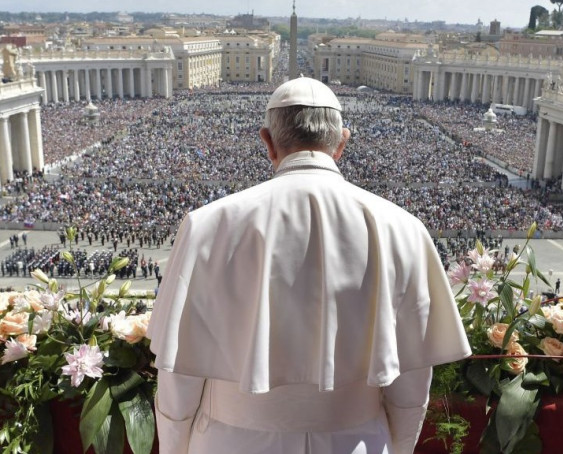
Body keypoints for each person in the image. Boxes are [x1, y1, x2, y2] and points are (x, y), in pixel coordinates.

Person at [147, 77, 471, 454]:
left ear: (267, 142)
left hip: (230, 442)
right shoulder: (404, 228)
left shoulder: (207, 225)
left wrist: (173, 449)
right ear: (342, 143)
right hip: (358, 442)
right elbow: (411, 386)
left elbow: (179, 379)